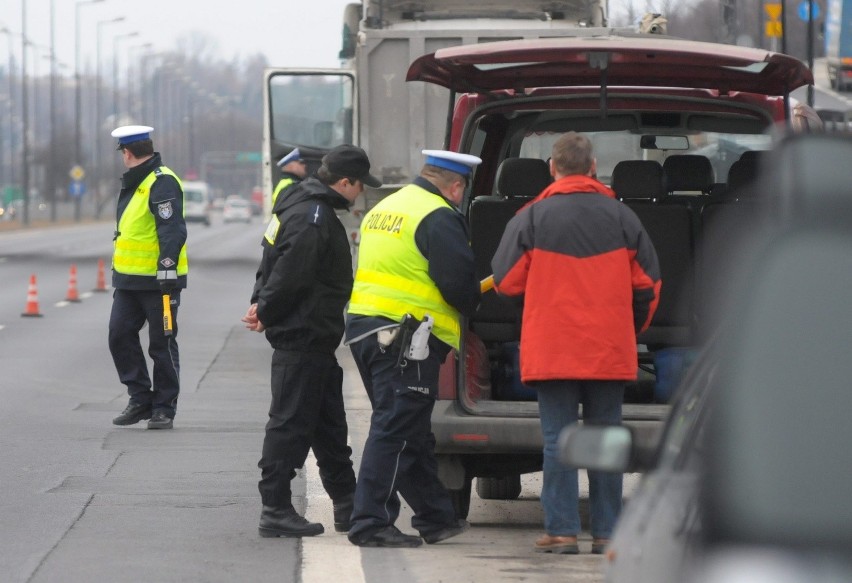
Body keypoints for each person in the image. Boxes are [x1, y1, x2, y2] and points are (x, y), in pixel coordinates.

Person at [491, 132, 661, 555]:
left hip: (553, 349)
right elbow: (650, 287)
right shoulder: (624, 219)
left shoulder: (531, 217)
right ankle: (607, 533)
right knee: (606, 439)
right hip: (608, 349)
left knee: (557, 441)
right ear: (593, 167)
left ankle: (563, 531)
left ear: (553, 167)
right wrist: (628, 330)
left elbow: (506, 282)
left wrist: (538, 309)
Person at [344, 149, 482, 548]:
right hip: (408, 339)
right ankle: (370, 522)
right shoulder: (437, 215)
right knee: (396, 430)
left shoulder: (387, 207)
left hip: (368, 330)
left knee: (411, 430)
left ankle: (436, 517)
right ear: (456, 187)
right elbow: (457, 284)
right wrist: (475, 304)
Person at [242, 144, 381, 538]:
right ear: (344, 182)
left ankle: (347, 503)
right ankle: (275, 508)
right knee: (288, 425)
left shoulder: (294, 202)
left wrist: (259, 300)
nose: (361, 194)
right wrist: (265, 309)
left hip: (314, 338)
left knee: (329, 426)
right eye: (360, 186)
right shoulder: (315, 216)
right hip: (303, 334)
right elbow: (291, 272)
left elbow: (268, 254)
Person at [109, 125, 188, 431]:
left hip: (159, 283)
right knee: (119, 335)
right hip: (128, 281)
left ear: (127, 153)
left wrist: (167, 269)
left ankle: (164, 407)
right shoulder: (136, 182)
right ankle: (140, 397)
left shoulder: (162, 181)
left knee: (162, 343)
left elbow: (172, 229)